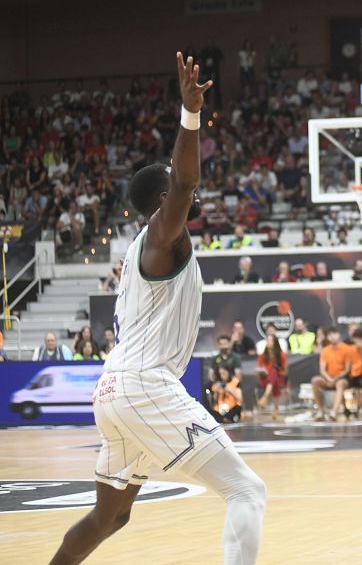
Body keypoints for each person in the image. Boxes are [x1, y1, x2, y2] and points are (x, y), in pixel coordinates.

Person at [50, 53, 265, 565]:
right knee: (246, 490)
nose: (190, 194)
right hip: (145, 386)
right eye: (178, 192)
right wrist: (190, 115)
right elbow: (186, 183)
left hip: (116, 387)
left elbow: (183, 184)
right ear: (164, 198)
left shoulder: (140, 250)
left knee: (110, 517)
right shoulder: (160, 237)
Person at [311, 327, 350, 421]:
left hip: (342, 379)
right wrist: (329, 379)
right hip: (328, 379)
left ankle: (334, 412)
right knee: (315, 380)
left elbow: (347, 370)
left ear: (339, 335)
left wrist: (335, 379)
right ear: (327, 337)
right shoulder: (325, 350)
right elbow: (322, 369)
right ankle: (320, 411)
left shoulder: (347, 349)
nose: (332, 337)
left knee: (340, 383)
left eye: (334, 334)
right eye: (329, 335)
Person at [256, 336, 288, 421]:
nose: (269, 342)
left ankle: (265, 397)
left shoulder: (281, 355)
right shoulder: (262, 355)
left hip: (278, 379)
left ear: (275, 343)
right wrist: (265, 373)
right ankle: (275, 408)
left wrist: (275, 372)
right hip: (264, 380)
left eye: (271, 341)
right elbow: (259, 371)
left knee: (274, 373)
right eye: (268, 340)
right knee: (273, 374)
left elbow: (285, 372)